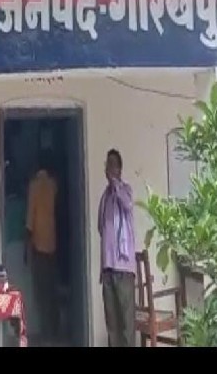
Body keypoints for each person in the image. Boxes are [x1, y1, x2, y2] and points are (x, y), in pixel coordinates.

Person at [98, 148, 136, 347]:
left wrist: (116, 184)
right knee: (112, 325)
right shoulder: (105, 197)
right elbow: (101, 228)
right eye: (107, 164)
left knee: (126, 325)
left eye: (113, 165)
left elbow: (128, 205)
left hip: (124, 269)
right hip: (108, 268)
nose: (109, 168)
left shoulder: (125, 190)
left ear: (120, 169)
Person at [24, 167, 59, 344]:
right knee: (52, 291)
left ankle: (46, 334)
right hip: (52, 245)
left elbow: (30, 220)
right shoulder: (53, 185)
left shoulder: (34, 186)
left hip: (38, 246)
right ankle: (54, 331)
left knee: (41, 292)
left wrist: (26, 249)